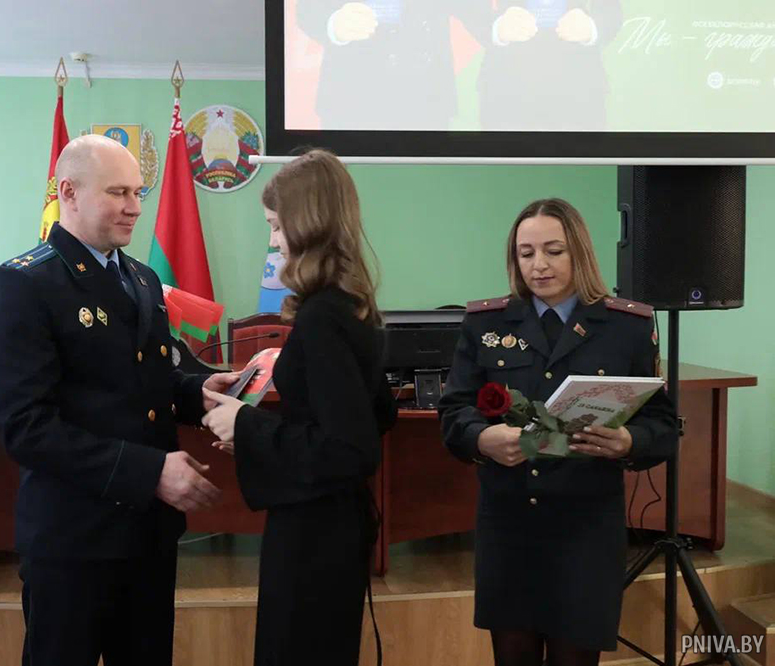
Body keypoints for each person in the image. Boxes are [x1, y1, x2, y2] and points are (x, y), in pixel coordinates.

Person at [0, 134, 239, 666]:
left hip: (148, 532)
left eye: (138, 192)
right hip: (73, 538)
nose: (135, 207)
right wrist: (149, 471)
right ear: (68, 192)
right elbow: (25, 427)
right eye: (118, 192)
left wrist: (196, 393)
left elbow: (145, 378)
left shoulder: (141, 277)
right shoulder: (23, 284)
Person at [437, 198, 678, 666]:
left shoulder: (626, 326)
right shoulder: (487, 323)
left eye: (553, 251)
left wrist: (629, 442)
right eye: (526, 253)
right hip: (510, 523)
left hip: (586, 526)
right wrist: (482, 439)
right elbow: (454, 412)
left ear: (579, 252)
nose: (539, 265)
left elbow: (663, 425)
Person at [201, 150, 397, 666]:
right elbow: (377, 414)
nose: (272, 241)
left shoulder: (321, 317)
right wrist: (257, 435)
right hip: (334, 522)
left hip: (316, 532)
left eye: (275, 225)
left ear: (306, 222)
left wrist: (246, 423)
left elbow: (349, 447)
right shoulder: (350, 305)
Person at [295, 0, 495, 131]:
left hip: (425, 98)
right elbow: (309, 9)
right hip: (350, 96)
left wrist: (497, 28)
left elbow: (474, 10)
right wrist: (333, 24)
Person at [477, 0, 623, 130]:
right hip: (507, 91)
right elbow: (471, 7)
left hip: (579, 91)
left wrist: (592, 27)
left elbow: (610, 10)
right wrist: (496, 28)